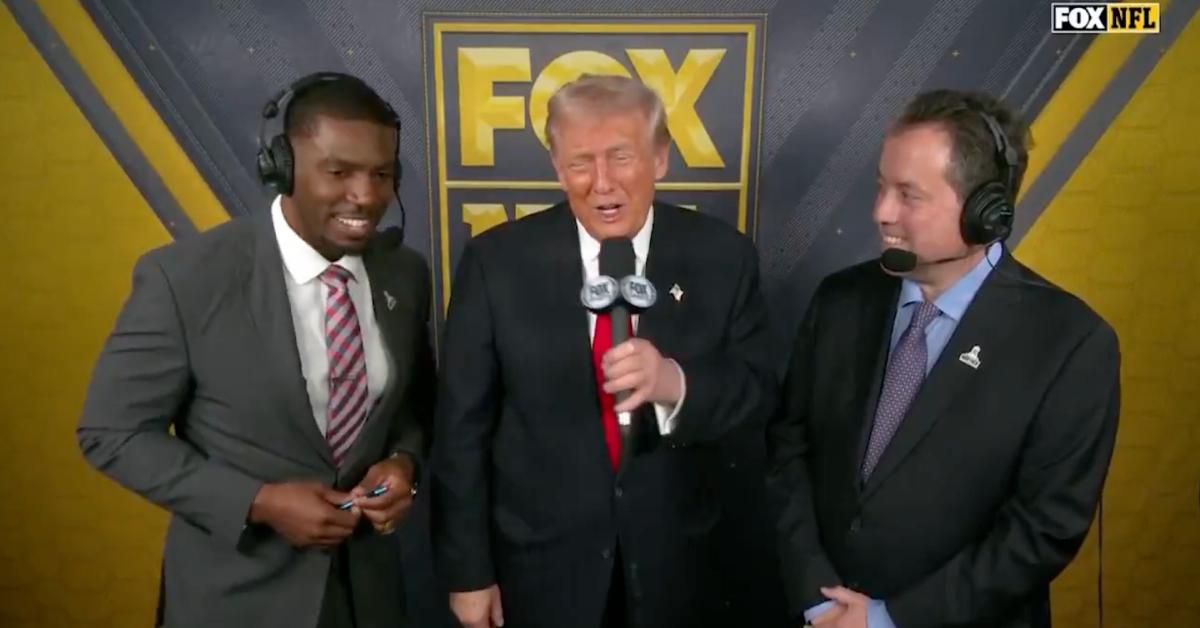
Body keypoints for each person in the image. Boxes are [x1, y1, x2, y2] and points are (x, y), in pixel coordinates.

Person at [77, 72, 434, 628]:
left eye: (382, 174)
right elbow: (111, 433)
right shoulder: (186, 277)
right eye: (338, 172)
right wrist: (258, 501)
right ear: (283, 168)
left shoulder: (405, 275)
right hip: (235, 598)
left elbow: (412, 409)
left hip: (368, 598)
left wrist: (404, 463)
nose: (365, 197)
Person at [430, 74, 775, 628]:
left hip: (683, 571)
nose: (602, 182)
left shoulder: (723, 257)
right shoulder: (497, 263)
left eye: (621, 157)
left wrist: (675, 385)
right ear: (556, 166)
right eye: (580, 162)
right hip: (539, 572)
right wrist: (468, 572)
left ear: (660, 158)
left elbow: (759, 396)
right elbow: (461, 432)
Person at [767, 88, 1121, 628]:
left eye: (909, 195)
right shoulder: (840, 301)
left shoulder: (1069, 343)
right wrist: (820, 599)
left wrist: (890, 620)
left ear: (987, 212)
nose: (881, 212)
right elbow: (788, 450)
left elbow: (1042, 530)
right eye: (881, 187)